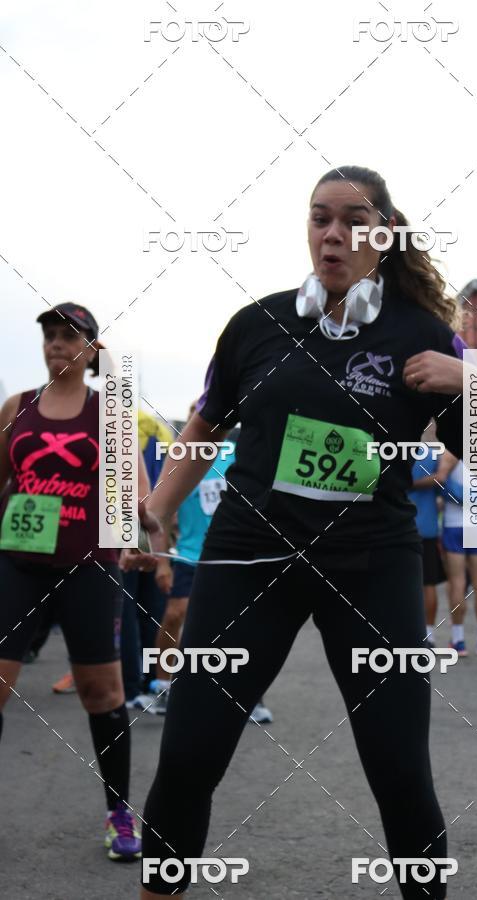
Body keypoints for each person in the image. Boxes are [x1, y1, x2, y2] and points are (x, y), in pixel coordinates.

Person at [131, 165, 477, 899]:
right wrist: (154, 510)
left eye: (353, 220)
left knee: (399, 768)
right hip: (251, 557)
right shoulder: (257, 324)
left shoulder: (424, 336)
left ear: (385, 234)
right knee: (187, 754)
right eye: (319, 218)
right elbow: (204, 427)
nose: (333, 234)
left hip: (369, 565)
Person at [0, 303, 150, 861]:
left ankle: (119, 814)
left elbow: (135, 489)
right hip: (17, 562)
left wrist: (138, 539)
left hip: (88, 566)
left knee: (102, 694)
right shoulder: (16, 407)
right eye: (49, 334)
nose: (56, 343)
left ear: (90, 349)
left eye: (69, 335)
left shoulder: (108, 411)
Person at [147, 419, 272, 721]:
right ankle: (164, 687)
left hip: (234, 556)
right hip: (189, 554)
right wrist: (162, 563)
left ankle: (250, 697)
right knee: (175, 614)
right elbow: (164, 514)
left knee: (243, 625)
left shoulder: (238, 454)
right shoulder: (182, 457)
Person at [121, 410, 174, 712]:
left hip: (123, 529)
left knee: (125, 610)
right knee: (153, 610)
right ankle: (154, 681)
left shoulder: (119, 436)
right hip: (157, 528)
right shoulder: (164, 438)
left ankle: (130, 686)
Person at [441, 457, 477, 657]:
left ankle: (458, 640)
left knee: (457, 582)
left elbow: (441, 479)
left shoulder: (450, 453)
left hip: (455, 523)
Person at [407, 442, 453, 648]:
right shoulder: (433, 455)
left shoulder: (392, 448)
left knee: (396, 584)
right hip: (426, 528)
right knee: (428, 584)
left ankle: (403, 632)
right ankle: (429, 634)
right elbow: (444, 487)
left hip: (399, 528)